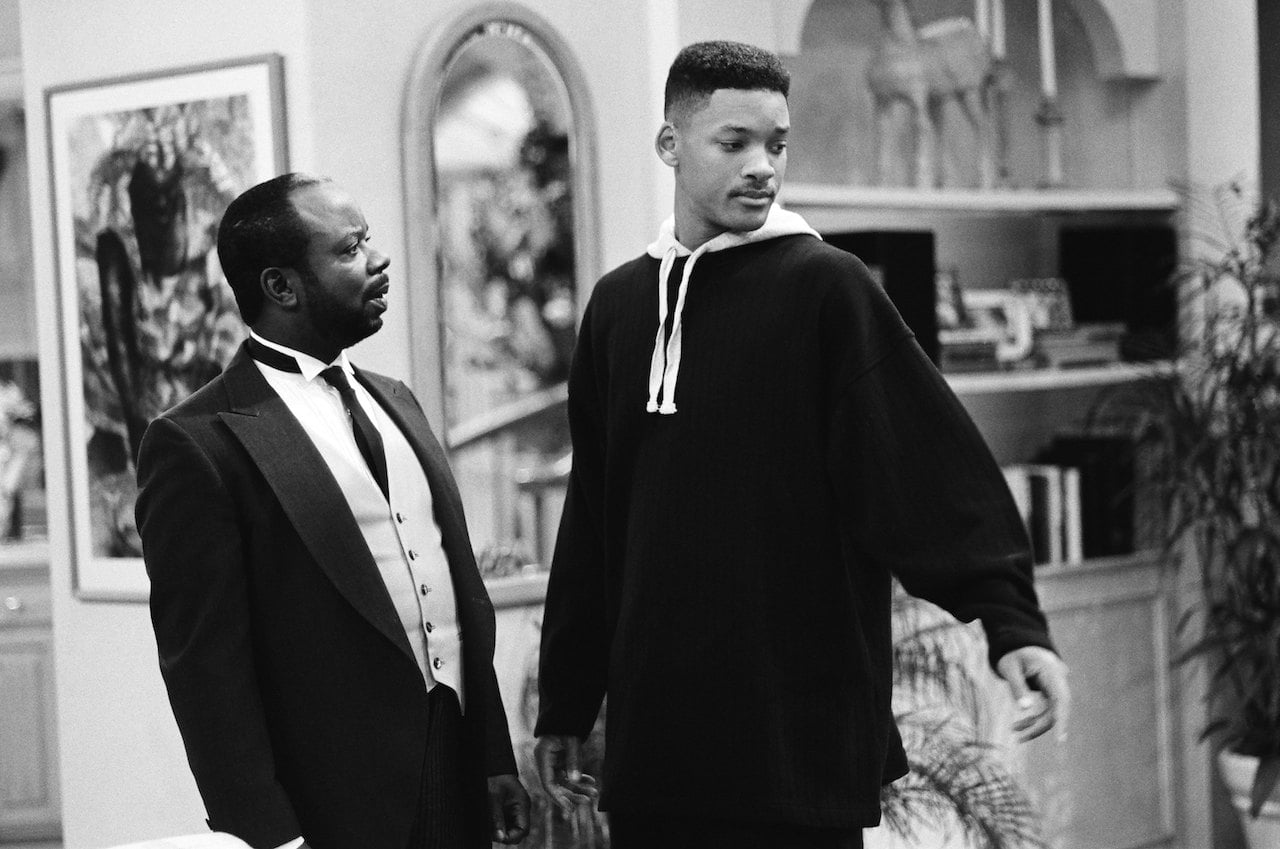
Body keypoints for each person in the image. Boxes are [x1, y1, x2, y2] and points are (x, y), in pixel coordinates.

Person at [533, 41, 1070, 849]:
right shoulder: (617, 307)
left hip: (798, 743)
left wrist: (1012, 622)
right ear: (670, 145)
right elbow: (594, 523)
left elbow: (926, 467)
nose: (763, 166)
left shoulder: (829, 287)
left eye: (777, 145)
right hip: (659, 746)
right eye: (735, 142)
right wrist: (568, 702)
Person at [136, 173, 530, 849]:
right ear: (281, 286)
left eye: (367, 240)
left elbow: (456, 593)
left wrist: (493, 755)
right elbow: (206, 671)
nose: (378, 259)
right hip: (333, 806)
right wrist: (267, 834)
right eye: (350, 250)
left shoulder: (396, 399)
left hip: (457, 768)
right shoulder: (196, 442)